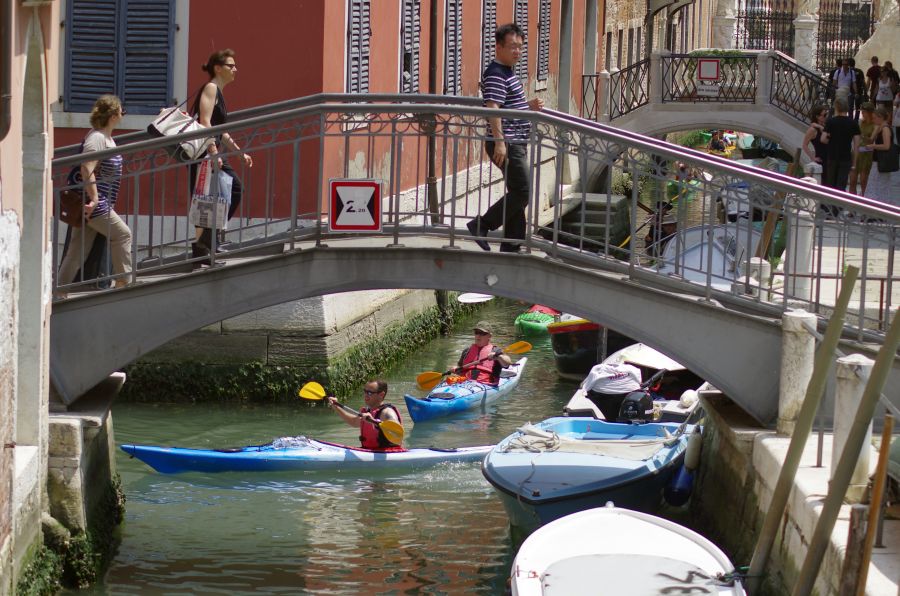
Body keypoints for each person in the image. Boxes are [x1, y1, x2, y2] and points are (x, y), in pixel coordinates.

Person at [467, 23, 544, 253]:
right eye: (512, 47)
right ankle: (482, 225)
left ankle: (512, 244)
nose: (517, 52)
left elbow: (507, 104)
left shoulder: (507, 72)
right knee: (523, 191)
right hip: (507, 143)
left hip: (514, 141)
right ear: (498, 47)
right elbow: (493, 108)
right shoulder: (496, 74)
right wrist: (500, 143)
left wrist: (526, 106)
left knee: (518, 191)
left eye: (520, 47)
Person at [57, 94, 132, 293]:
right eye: (121, 111)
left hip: (93, 203)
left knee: (77, 251)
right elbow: (86, 168)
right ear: (114, 114)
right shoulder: (97, 138)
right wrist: (95, 199)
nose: (123, 115)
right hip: (95, 203)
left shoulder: (106, 138)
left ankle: (59, 293)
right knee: (123, 234)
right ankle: (124, 282)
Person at [190, 49, 253, 261]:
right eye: (230, 65)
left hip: (212, 153)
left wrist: (239, 152)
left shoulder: (219, 91)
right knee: (221, 193)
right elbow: (205, 122)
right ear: (218, 68)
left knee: (214, 198)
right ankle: (205, 245)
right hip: (205, 154)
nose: (235, 69)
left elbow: (220, 130)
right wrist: (214, 153)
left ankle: (204, 245)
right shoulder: (210, 88)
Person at [325, 380, 403, 450]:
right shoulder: (368, 411)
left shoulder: (387, 412)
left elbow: (397, 433)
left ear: (381, 395)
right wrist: (336, 407)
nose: (366, 395)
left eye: (369, 393)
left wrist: (373, 421)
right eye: (365, 391)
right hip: (369, 451)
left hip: (388, 453)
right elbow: (353, 421)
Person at [453, 321, 512, 385]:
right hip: (464, 383)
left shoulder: (495, 351)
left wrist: (498, 357)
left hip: (486, 384)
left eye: (482, 333)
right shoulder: (466, 351)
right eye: (476, 333)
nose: (478, 335)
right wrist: (455, 369)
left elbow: (507, 364)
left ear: (489, 336)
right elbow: (460, 369)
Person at [822, 97, 860, 196]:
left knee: (830, 184)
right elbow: (856, 146)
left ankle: (829, 208)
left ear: (836, 108)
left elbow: (823, 139)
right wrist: (854, 163)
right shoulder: (853, 124)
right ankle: (837, 209)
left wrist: (830, 139)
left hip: (832, 156)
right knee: (841, 185)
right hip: (846, 158)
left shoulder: (831, 122)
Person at [863, 107, 899, 207]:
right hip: (877, 161)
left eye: (875, 118)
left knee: (879, 186)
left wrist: (873, 146)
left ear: (880, 117)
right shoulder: (880, 128)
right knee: (876, 186)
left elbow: (886, 145)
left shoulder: (886, 129)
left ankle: (878, 208)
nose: (873, 120)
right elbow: (872, 139)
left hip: (881, 162)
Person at [848, 102, 875, 196]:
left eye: (864, 112)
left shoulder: (874, 124)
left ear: (869, 112)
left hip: (866, 154)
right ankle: (852, 202)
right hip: (856, 152)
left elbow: (871, 140)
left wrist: (862, 136)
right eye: (862, 111)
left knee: (863, 180)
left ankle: (863, 198)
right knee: (852, 180)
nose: (862, 113)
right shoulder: (861, 123)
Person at [802, 104, 830, 179]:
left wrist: (820, 127)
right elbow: (804, 145)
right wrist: (813, 158)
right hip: (821, 159)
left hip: (829, 159)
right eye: (824, 115)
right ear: (817, 116)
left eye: (826, 114)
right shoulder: (813, 130)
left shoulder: (825, 126)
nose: (826, 117)